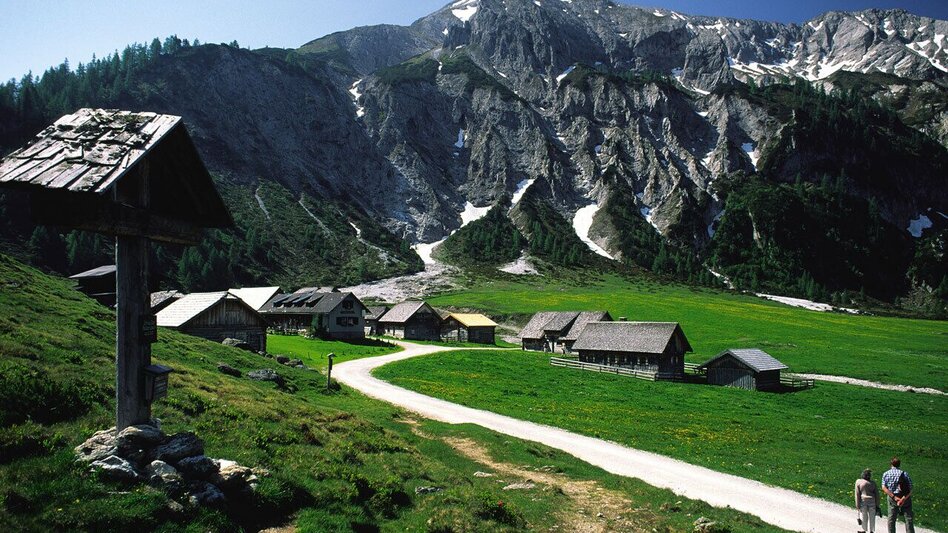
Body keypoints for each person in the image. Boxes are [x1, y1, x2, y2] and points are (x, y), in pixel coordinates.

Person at [881, 457, 915, 533]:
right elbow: (911, 488)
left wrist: (894, 497)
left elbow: (884, 487)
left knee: (891, 519)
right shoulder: (905, 474)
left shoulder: (886, 474)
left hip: (892, 498)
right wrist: (903, 499)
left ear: (891, 464)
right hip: (904, 498)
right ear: (899, 464)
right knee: (908, 518)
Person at [855, 468, 879, 533]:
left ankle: (864, 530)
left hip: (863, 501)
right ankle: (872, 530)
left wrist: (857, 505)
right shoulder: (873, 483)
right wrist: (877, 505)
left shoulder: (858, 482)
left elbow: (857, 494)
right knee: (872, 517)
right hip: (872, 501)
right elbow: (877, 494)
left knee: (864, 515)